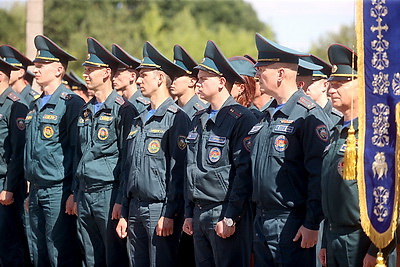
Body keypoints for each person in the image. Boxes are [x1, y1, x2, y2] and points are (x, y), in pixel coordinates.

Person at [250, 33, 331, 267]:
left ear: (281, 74)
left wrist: (312, 223)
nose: (257, 75)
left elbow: (318, 173)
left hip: (291, 222)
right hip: (262, 219)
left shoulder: (308, 114)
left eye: (262, 69)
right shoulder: (267, 114)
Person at [318, 43, 395, 267]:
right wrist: (325, 240)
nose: (331, 90)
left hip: (363, 239)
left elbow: (390, 195)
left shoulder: (377, 133)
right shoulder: (336, 131)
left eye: (340, 84)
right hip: (334, 237)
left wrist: (377, 249)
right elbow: (331, 192)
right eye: (330, 84)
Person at [182, 40, 257, 267]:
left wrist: (231, 215)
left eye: (204, 79)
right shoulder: (199, 118)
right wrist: (188, 212)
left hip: (222, 212)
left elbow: (243, 172)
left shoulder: (242, 118)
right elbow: (190, 168)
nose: (198, 83)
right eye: (198, 78)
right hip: (199, 211)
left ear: (222, 82)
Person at [116, 41, 190, 267]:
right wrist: (124, 209)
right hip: (136, 207)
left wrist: (169, 213)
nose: (138, 80)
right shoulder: (140, 118)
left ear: (159, 79)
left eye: (143, 74)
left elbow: (178, 173)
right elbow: (128, 167)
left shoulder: (176, 118)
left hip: (159, 210)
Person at [74, 37, 137, 266]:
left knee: (113, 257)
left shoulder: (124, 110)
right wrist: (75, 192)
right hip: (85, 192)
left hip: (108, 194)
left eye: (91, 69)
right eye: (86, 69)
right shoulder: (86, 110)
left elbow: (127, 159)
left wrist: (121, 201)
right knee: (90, 256)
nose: (86, 74)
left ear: (107, 73)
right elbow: (78, 155)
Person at [24, 35, 85, 266]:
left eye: (41, 66)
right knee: (38, 253)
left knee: (59, 253)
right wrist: (31, 191)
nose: (36, 71)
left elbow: (76, 151)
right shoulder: (35, 104)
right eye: (35, 66)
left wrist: (72, 192)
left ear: (59, 69)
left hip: (58, 190)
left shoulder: (71, 103)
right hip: (37, 189)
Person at [0, 58, 30, 266]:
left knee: (9, 242)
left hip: (5, 183)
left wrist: (9, 187)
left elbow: (18, 151)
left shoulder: (15, 105)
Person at [301, 55, 342, 127]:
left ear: (325, 85)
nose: (306, 87)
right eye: (304, 83)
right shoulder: (300, 114)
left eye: (310, 82)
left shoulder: (337, 118)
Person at [170, 44, 207, 120]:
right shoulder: (170, 110)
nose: (173, 81)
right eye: (173, 77)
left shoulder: (201, 113)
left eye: (178, 76)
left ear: (192, 81)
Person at [112, 43, 150, 113]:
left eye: (118, 74)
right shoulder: (117, 104)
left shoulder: (143, 106)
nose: (113, 78)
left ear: (132, 76)